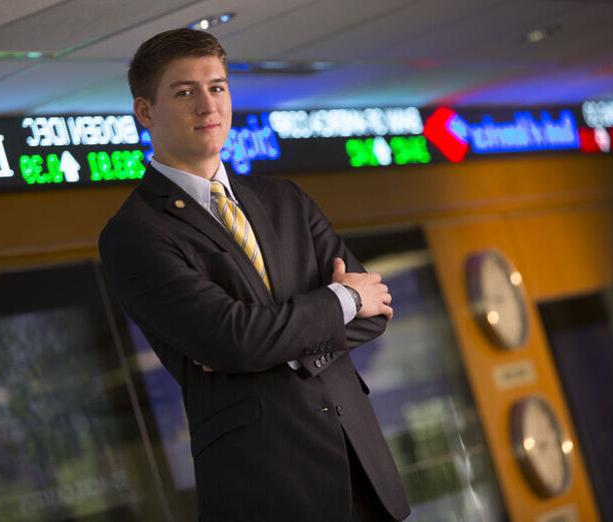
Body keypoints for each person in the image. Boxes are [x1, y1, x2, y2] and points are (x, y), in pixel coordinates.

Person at [98, 28, 410, 522]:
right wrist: (338, 302)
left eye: (217, 87)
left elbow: (377, 311)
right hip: (269, 487)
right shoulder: (135, 234)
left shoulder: (284, 199)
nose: (208, 106)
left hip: (363, 470)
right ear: (145, 111)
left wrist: (268, 338)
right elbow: (234, 341)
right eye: (185, 92)